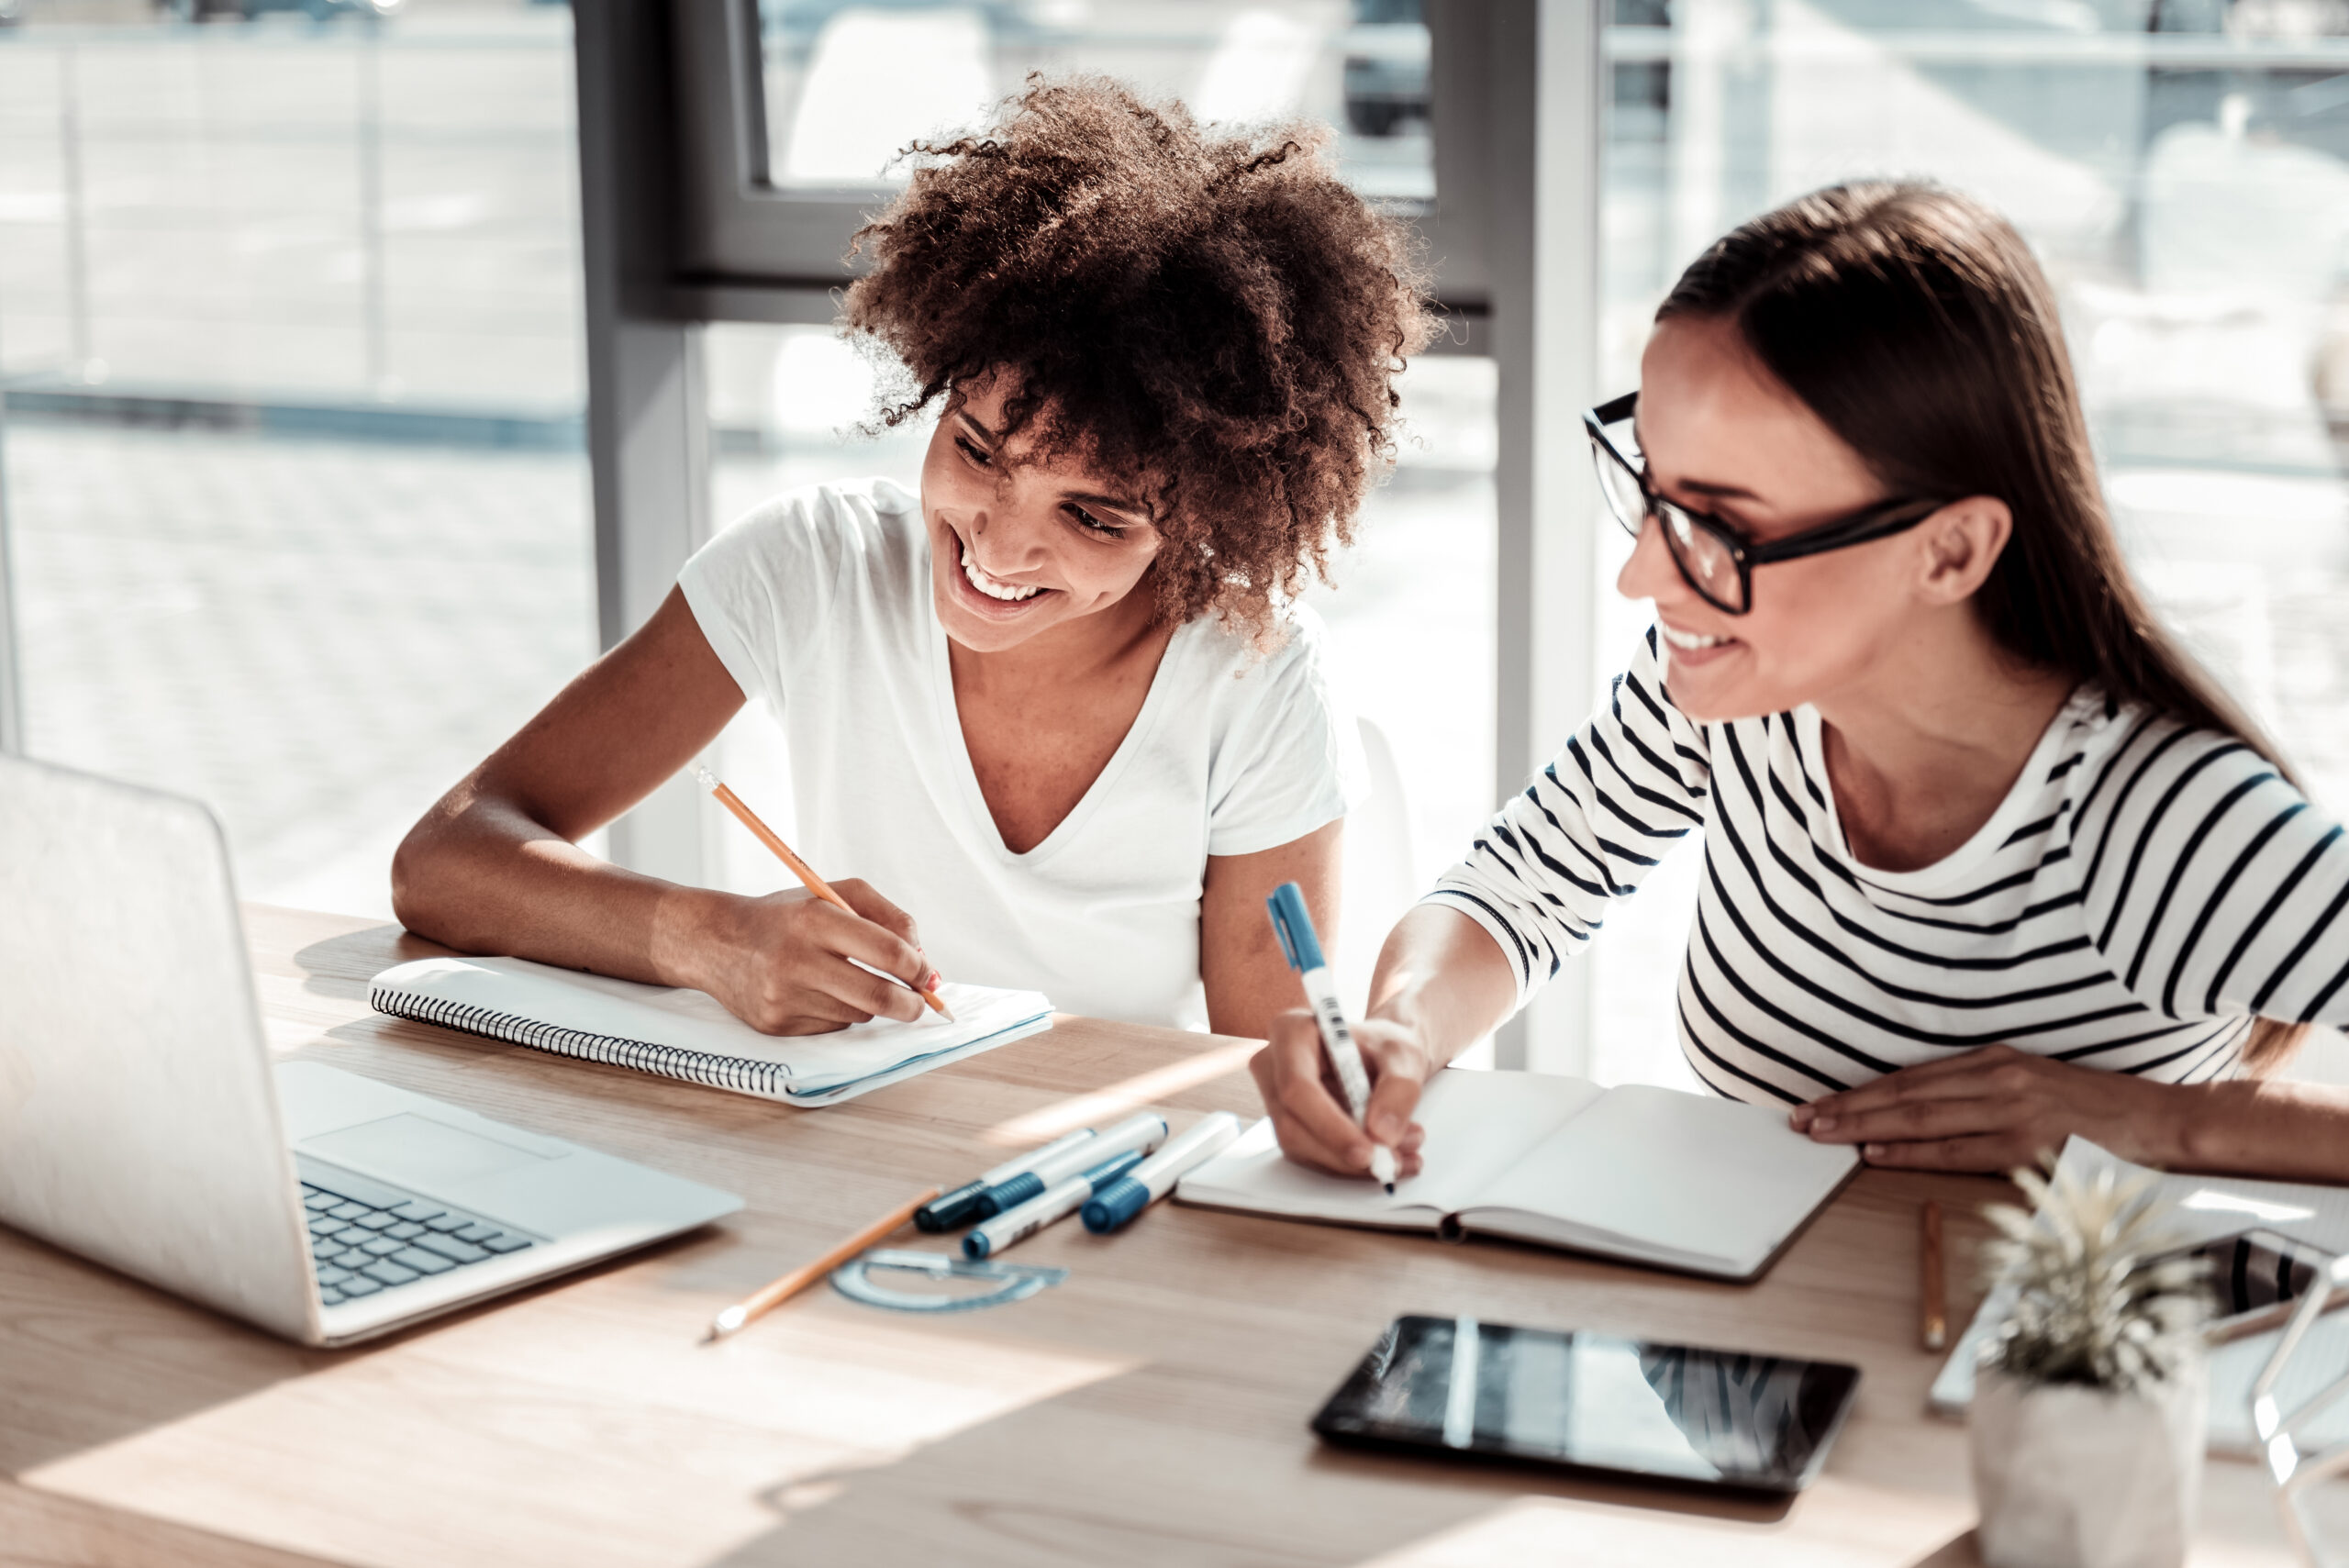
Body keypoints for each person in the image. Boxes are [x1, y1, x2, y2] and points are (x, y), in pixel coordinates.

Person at [1252, 181, 2349, 1184]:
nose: (1641, 574)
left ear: (1950, 552)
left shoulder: (2160, 821)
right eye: (1652, 494)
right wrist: (1400, 1026)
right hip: (1755, 1357)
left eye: (1721, 525)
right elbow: (1522, 888)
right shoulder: (1747, 699)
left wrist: (2157, 1123)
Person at [392, 77, 1434, 1039]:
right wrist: (710, 940)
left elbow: (1262, 1081)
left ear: (1202, 519)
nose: (999, 539)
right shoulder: (812, 564)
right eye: (976, 449)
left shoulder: (1252, 673)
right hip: (844, 1153)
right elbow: (444, 860)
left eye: (1094, 517)